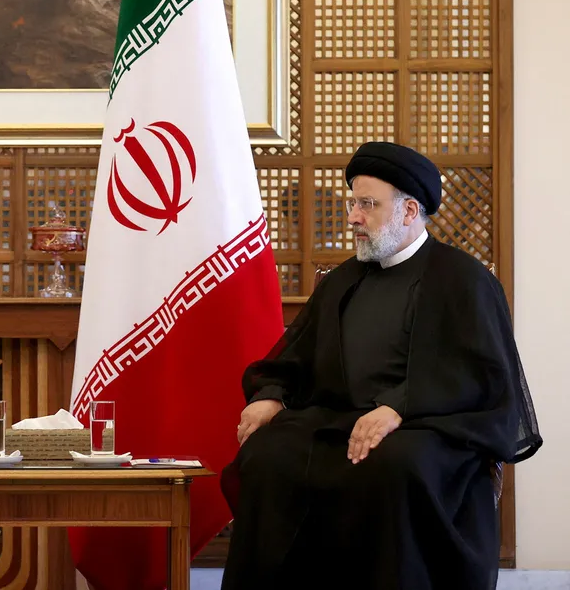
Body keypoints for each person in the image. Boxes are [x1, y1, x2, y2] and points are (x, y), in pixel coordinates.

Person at [219, 141, 542, 590]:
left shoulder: (463, 278)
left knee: (394, 464)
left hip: (430, 427)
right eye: (353, 203)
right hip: (338, 421)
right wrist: (270, 395)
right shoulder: (343, 281)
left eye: (367, 205)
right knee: (267, 456)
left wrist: (398, 407)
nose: (353, 217)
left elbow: (482, 376)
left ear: (409, 211)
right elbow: (294, 355)